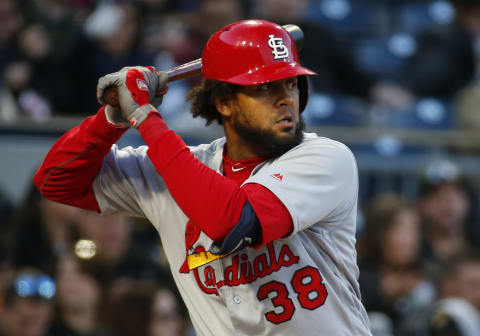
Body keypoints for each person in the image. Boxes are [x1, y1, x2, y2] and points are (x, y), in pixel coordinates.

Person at [34, 20, 372, 335]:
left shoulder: (326, 158)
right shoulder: (180, 168)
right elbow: (55, 180)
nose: (287, 98)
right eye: (267, 87)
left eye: (292, 83)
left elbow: (233, 220)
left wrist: (144, 116)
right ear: (224, 103)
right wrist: (110, 119)